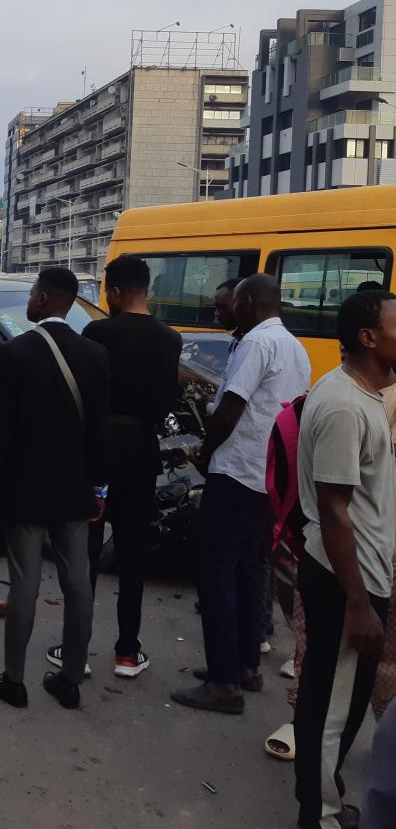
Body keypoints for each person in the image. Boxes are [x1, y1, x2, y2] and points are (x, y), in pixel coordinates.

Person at [172, 274, 311, 715]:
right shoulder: (295, 346)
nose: (224, 309)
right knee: (252, 572)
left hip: (236, 472)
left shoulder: (256, 343)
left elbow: (232, 406)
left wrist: (204, 451)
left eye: (230, 302)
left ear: (248, 302)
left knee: (216, 573)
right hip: (268, 477)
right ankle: (245, 666)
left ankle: (224, 682)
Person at [0, 267, 110, 710]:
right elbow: (99, 430)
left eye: (34, 293)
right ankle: (70, 677)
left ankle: (14, 679)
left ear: (43, 298)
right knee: (78, 583)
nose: (32, 300)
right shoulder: (95, 355)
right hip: (75, 491)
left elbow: (1, 430)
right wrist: (100, 488)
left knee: (25, 583)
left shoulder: (15, 353)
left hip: (26, 489)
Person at [293, 290, 396, 829]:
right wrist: (359, 601)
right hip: (343, 578)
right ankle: (321, 817)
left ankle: (325, 800)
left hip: (365, 572)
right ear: (368, 337)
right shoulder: (341, 405)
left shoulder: (372, 393)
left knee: (345, 705)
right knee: (330, 713)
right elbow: (333, 510)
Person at [69, 254, 181, 678]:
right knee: (133, 555)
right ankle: (127, 652)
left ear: (114, 292)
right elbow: (165, 404)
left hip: (98, 451)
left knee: (86, 552)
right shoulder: (169, 340)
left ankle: (74, 649)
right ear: (146, 289)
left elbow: (86, 396)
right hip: (141, 452)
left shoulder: (98, 332)